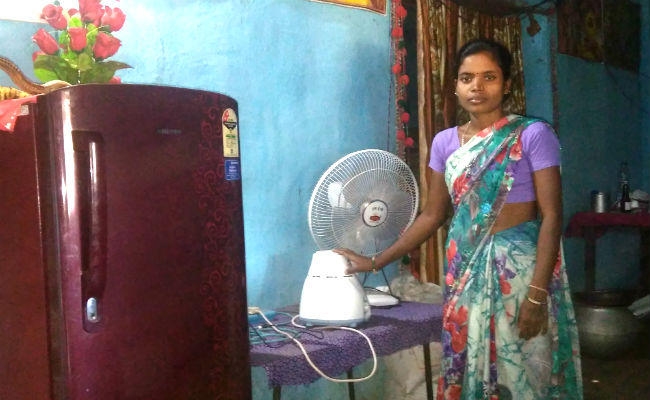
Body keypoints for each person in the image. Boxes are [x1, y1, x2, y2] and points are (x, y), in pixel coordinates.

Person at [335, 38, 583, 399]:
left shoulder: (532, 134)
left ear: (507, 84)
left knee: (524, 371)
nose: (477, 87)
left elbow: (552, 215)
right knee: (470, 365)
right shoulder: (444, 143)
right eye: (467, 78)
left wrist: (536, 295)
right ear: (455, 85)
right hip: (464, 271)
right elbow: (432, 215)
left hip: (520, 274)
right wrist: (375, 261)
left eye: (489, 77)